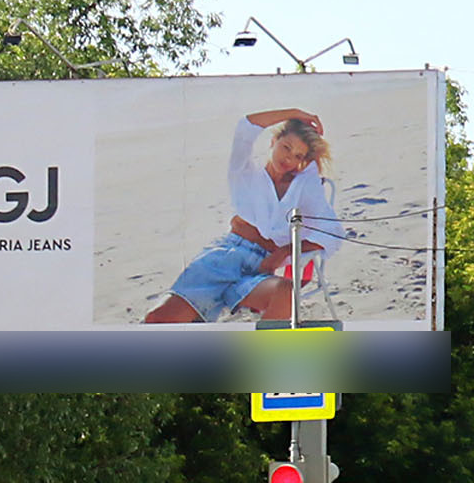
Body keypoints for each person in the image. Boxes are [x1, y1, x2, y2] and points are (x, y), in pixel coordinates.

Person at [143, 108, 344, 324]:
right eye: (286, 147)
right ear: (273, 141)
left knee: (286, 291)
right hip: (224, 257)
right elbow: (245, 128)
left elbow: (331, 232)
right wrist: (294, 114)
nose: (289, 158)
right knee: (157, 320)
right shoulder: (245, 173)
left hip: (260, 267)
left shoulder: (304, 185)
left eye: (298, 156)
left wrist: (283, 253)